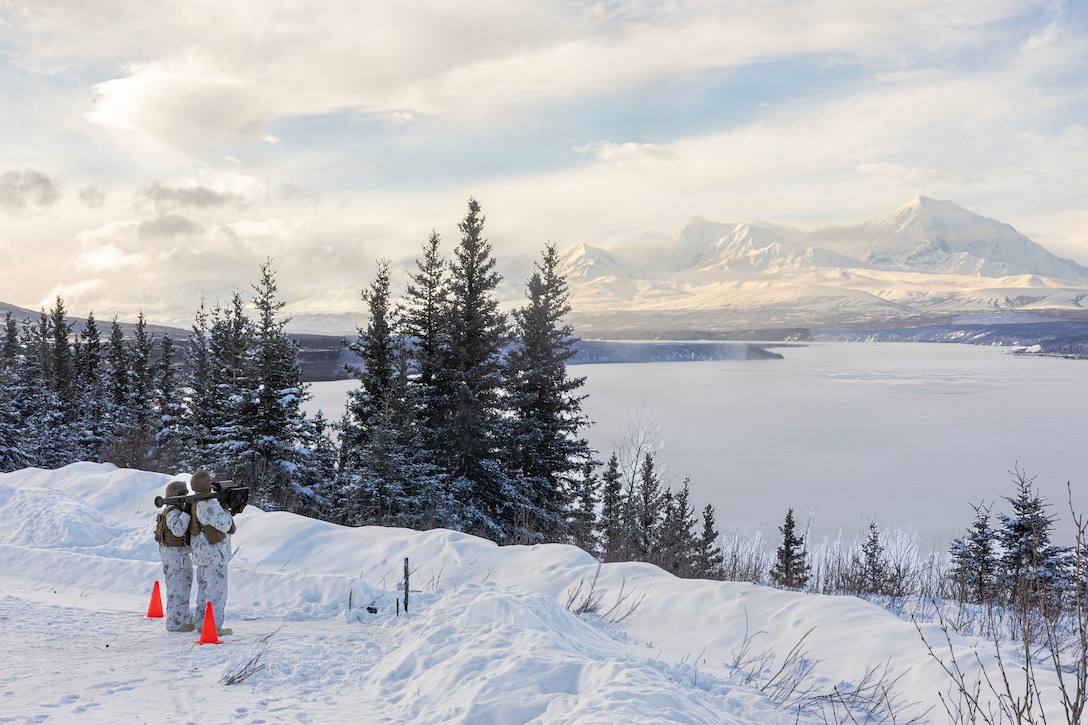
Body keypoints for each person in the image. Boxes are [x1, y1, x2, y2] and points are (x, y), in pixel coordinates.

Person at [188, 470, 235, 636]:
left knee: (203, 593)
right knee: (217, 594)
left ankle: (202, 623)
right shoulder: (209, 504)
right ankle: (213, 627)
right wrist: (228, 510)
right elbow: (225, 524)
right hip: (215, 555)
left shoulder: (195, 502)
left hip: (202, 555)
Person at [154, 480, 195, 632]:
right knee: (178, 589)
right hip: (176, 557)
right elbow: (178, 530)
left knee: (182, 588)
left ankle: (184, 618)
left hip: (175, 555)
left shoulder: (171, 511)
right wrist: (187, 511)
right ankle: (175, 623)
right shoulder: (173, 512)